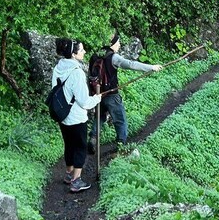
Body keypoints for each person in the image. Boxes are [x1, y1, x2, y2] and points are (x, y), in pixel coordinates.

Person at [88, 32, 162, 152]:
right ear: (112, 44)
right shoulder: (113, 57)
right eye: (118, 42)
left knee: (99, 117)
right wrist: (151, 67)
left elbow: (90, 76)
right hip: (111, 95)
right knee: (120, 119)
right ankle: (120, 144)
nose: (119, 45)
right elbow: (131, 64)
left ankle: (93, 138)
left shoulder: (95, 56)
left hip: (98, 94)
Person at [51, 38, 101, 193]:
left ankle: (68, 173)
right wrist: (97, 99)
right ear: (73, 54)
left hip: (62, 114)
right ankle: (76, 180)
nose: (84, 51)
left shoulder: (58, 68)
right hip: (77, 117)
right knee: (80, 147)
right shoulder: (77, 72)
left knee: (69, 144)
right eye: (81, 50)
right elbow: (84, 101)